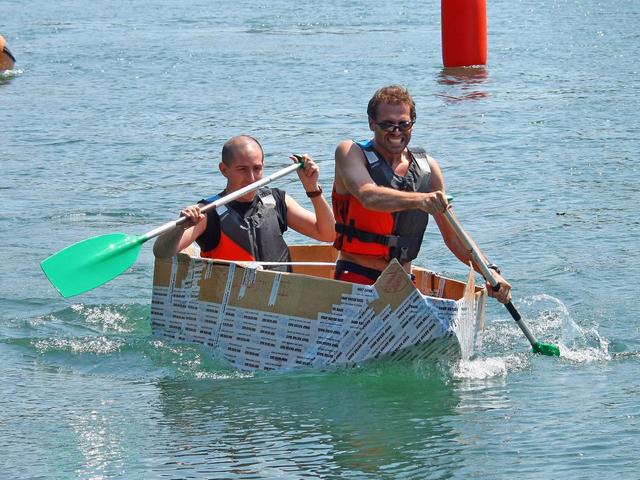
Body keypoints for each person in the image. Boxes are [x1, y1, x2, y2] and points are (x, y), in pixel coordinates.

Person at [332, 85, 512, 303]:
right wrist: (421, 200)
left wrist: (489, 271)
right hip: (356, 277)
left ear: (412, 125)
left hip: (403, 283)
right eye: (387, 124)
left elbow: (454, 236)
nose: (396, 131)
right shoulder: (350, 152)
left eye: (403, 124)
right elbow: (368, 196)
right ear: (372, 123)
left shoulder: (428, 168)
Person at [153, 135, 335, 271]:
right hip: (234, 304)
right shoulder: (207, 213)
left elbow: (328, 234)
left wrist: (313, 189)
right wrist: (180, 227)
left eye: (257, 169)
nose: (251, 178)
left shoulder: (277, 200)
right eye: (242, 170)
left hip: (280, 298)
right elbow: (162, 253)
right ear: (224, 170)